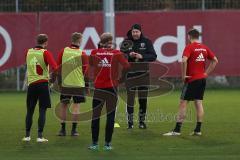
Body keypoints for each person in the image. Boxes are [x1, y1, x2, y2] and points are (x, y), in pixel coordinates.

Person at [163, 28, 218, 136]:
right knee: (198, 103)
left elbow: (183, 60)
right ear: (198, 36)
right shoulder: (204, 47)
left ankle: (177, 130)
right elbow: (215, 60)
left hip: (192, 80)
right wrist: (206, 73)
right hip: (202, 79)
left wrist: (183, 75)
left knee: (183, 103)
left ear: (189, 36)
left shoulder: (189, 47)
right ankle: (198, 130)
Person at [88, 32, 130, 151]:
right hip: (112, 88)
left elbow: (91, 63)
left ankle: (95, 143)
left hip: (99, 88)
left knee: (95, 116)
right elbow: (127, 66)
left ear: (101, 42)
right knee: (110, 116)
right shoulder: (117, 53)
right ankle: (107, 144)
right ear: (111, 41)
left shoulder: (94, 52)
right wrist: (121, 78)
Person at [121, 24, 157, 129]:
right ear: (131, 32)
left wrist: (142, 56)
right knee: (130, 99)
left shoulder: (147, 42)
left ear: (140, 32)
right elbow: (121, 55)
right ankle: (130, 123)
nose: (135, 34)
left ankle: (141, 122)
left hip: (143, 75)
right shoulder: (126, 42)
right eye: (133, 32)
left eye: (137, 32)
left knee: (143, 99)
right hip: (130, 75)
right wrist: (129, 55)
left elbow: (153, 56)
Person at [22, 34, 57, 142]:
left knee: (30, 110)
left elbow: (27, 64)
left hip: (31, 85)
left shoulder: (28, 52)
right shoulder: (45, 53)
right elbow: (55, 68)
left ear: (36, 41)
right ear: (45, 42)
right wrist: (52, 80)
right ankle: (40, 136)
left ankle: (27, 136)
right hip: (43, 85)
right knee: (42, 110)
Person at [57, 32, 88, 136]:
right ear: (79, 40)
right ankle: (74, 130)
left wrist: (59, 80)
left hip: (66, 83)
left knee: (64, 106)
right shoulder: (82, 53)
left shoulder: (63, 51)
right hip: (78, 84)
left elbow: (58, 66)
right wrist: (86, 84)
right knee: (76, 107)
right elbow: (85, 70)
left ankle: (62, 130)